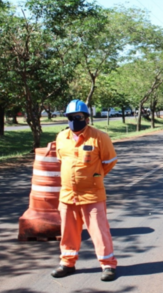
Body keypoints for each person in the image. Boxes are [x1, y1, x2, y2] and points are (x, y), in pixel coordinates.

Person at [51, 100, 118, 281]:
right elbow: (61, 161)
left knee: (99, 230)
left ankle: (107, 265)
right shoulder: (61, 137)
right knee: (68, 232)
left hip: (92, 193)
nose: (74, 120)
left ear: (87, 118)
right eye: (71, 117)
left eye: (78, 117)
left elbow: (109, 161)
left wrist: (95, 177)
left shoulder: (99, 137)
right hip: (67, 195)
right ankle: (67, 263)